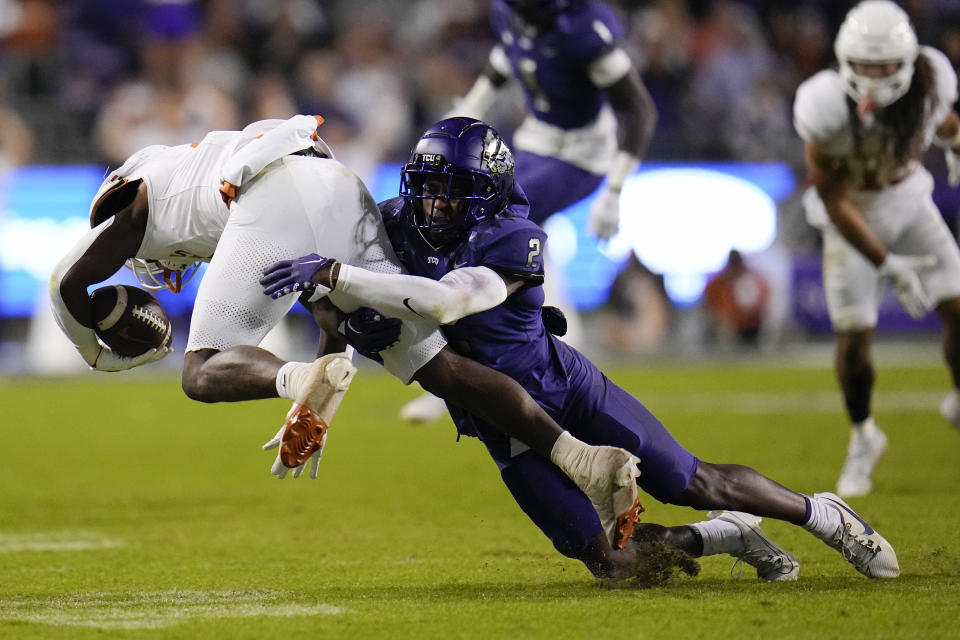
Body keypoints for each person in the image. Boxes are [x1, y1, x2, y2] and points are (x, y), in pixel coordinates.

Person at [262, 117, 901, 582]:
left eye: (453, 189)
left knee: (693, 480)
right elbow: (332, 298)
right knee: (614, 563)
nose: (435, 202)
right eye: (428, 185)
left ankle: (822, 516)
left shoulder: (513, 234)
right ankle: (723, 539)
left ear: (485, 190)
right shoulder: (397, 221)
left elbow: (445, 301)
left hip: (564, 388)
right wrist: (348, 318)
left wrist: (346, 285)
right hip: (498, 424)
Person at [48, 114, 644, 550]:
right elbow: (329, 312)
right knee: (438, 366)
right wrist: (317, 403)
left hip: (269, 196)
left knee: (201, 372)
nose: (168, 273)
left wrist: (99, 354)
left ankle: (294, 378)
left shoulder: (130, 204)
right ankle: (581, 458)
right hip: (337, 186)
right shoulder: (194, 161)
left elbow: (66, 285)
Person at [401, 0, 658, 422]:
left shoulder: (583, 27)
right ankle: (562, 355)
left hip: (582, 155)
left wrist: (614, 189)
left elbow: (640, 109)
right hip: (535, 141)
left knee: (488, 226)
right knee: (510, 232)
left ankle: (469, 370)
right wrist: (470, 108)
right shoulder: (509, 13)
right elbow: (504, 61)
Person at [794, 0, 960, 498]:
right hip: (852, 218)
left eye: (885, 65)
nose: (874, 76)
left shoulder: (931, 83)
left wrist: (956, 147)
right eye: (865, 64)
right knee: (855, 339)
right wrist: (887, 264)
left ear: (907, 62)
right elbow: (833, 198)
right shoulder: (822, 105)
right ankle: (864, 434)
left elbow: (944, 121)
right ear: (845, 58)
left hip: (909, 203)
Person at [703, 249, 770, 347]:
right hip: (728, 325)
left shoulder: (753, 279)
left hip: (752, 324)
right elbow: (710, 303)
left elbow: (764, 298)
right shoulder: (718, 283)